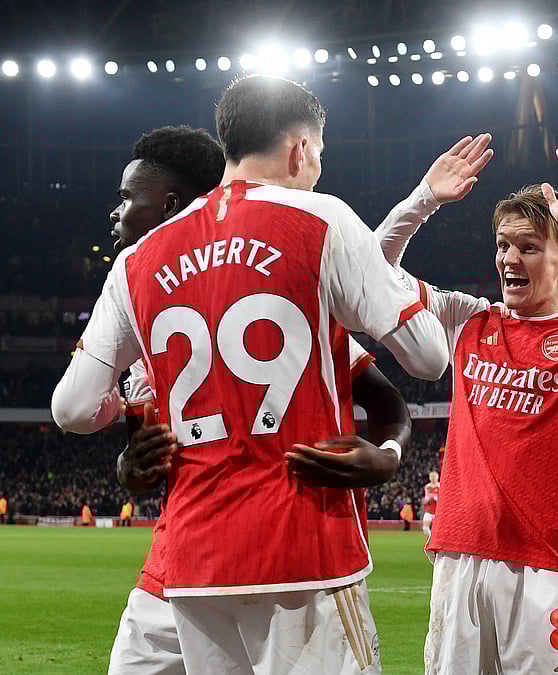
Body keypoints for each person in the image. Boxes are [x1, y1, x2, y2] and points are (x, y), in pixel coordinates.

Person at [51, 75, 450, 674]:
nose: (316, 166)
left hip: (195, 557)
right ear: (299, 148)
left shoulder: (138, 262)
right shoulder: (322, 220)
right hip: (303, 543)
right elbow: (428, 358)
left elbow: (72, 409)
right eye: (318, 153)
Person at [375, 138, 558, 674]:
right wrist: (423, 200)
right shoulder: (470, 319)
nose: (510, 258)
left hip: (546, 564)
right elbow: (371, 272)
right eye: (503, 244)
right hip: (460, 554)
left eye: (529, 247)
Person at [422, 470, 439, 543]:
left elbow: (442, 497)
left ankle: (435, 541)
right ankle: (432, 539)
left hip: (438, 511)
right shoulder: (427, 486)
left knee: (438, 529)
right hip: (429, 509)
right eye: (431, 477)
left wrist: (435, 498)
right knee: (425, 528)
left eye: (434, 476)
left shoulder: (440, 486)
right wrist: (427, 500)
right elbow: (426, 497)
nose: (433, 478)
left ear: (437, 477)